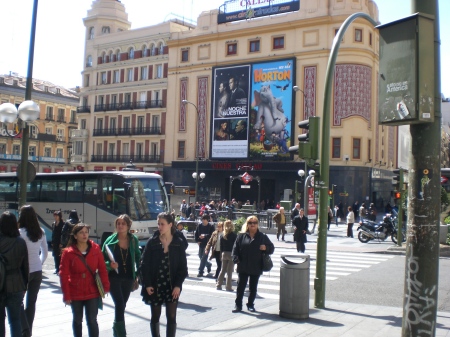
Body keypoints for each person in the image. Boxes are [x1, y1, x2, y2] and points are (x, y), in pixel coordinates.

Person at [140, 212, 187, 337]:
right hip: (156, 284)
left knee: (171, 316)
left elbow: (183, 268)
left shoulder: (178, 242)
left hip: (171, 285)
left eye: (163, 224)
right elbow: (145, 264)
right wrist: (148, 283)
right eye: (158, 224)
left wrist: (178, 285)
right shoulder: (152, 242)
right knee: (155, 315)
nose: (160, 227)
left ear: (170, 224)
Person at [59, 223, 110, 337]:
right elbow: (63, 274)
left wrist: (105, 287)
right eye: (81, 232)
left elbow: (102, 269)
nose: (84, 235)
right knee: (77, 320)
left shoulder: (95, 248)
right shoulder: (68, 252)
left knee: (92, 320)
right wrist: (66, 295)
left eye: (86, 232)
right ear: (75, 236)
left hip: (92, 290)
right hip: (75, 290)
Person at [102, 215, 141, 337]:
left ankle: (117, 331)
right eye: (118, 223)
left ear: (128, 226)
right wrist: (109, 265)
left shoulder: (133, 240)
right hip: (114, 278)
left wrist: (138, 274)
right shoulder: (110, 240)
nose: (120, 226)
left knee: (122, 305)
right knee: (119, 304)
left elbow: (138, 257)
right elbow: (101, 260)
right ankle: (120, 334)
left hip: (129, 277)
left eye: (123, 223)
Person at [231, 216, 274, 313]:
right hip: (243, 265)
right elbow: (235, 249)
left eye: (254, 222)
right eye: (250, 223)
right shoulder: (241, 236)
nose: (252, 224)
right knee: (240, 287)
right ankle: (238, 305)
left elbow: (271, 248)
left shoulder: (262, 237)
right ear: (247, 224)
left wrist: (266, 248)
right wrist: (235, 259)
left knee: (253, 287)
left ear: (257, 224)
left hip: (256, 266)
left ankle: (250, 304)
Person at [18, 205, 48, 337]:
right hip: (37, 271)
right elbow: (45, 252)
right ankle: (28, 331)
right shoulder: (40, 231)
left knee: (18, 301)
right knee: (31, 303)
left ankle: (23, 328)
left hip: (23, 272)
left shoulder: (19, 233)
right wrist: (39, 263)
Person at [0, 212, 29, 337]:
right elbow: (25, 266)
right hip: (17, 283)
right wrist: (25, 285)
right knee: (15, 321)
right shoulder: (20, 242)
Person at [216, 220, 237, 291]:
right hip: (231, 253)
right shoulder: (234, 235)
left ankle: (218, 284)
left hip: (224, 253)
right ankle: (228, 287)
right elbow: (235, 246)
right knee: (229, 271)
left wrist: (221, 254)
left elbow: (221, 246)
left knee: (222, 270)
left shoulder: (222, 235)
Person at [52, 210, 64, 275]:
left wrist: (61, 242)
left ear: (59, 216)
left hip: (60, 241)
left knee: (60, 256)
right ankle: (56, 268)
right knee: (55, 255)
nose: (55, 217)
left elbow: (62, 234)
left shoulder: (62, 224)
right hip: (55, 241)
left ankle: (60, 269)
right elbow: (53, 233)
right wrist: (52, 241)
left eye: (57, 216)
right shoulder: (54, 223)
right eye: (55, 216)